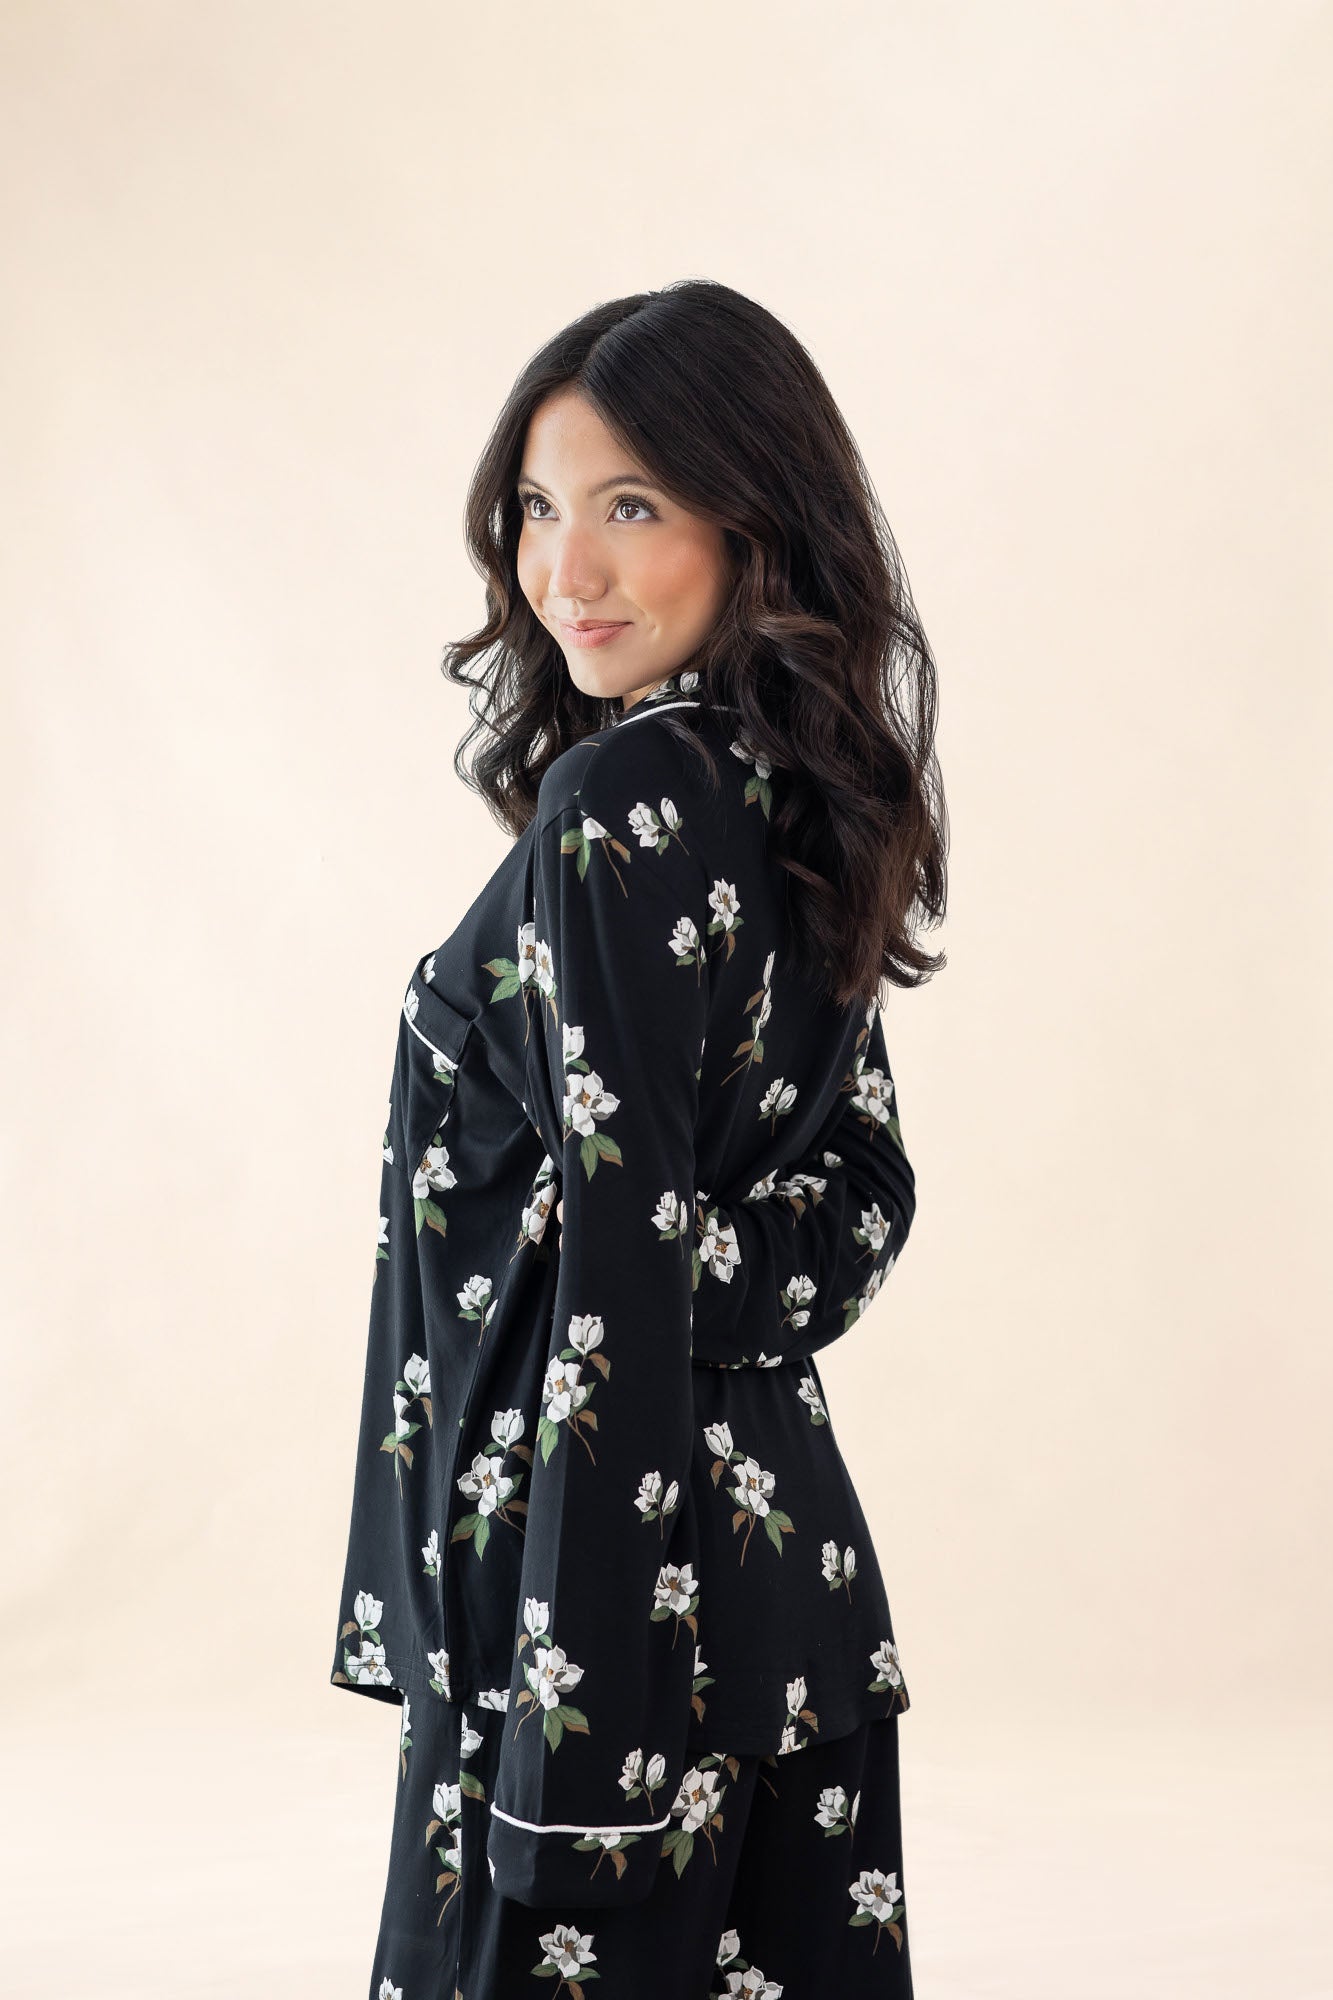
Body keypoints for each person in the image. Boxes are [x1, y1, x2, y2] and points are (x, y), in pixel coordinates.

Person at [329, 277, 947, 1999]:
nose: (564, 570)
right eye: (536, 508)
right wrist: (704, 1285)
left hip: (591, 1622)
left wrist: (578, 1747)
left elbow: (612, 1274)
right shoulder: (797, 793)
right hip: (780, 1597)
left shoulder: (620, 810)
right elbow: (858, 1208)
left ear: (751, 524)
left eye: (629, 507)